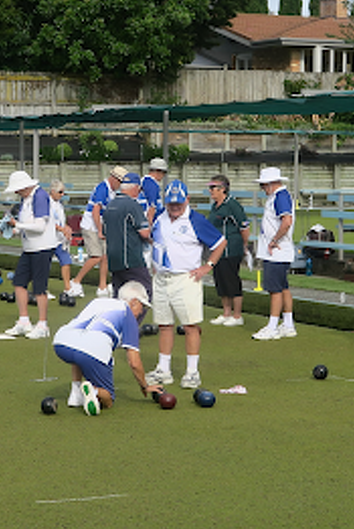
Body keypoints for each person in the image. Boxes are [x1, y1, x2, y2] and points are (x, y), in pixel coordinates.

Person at [146, 179, 226, 389]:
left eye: (178, 204)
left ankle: (192, 372)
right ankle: (164, 369)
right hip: (162, 279)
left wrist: (207, 266)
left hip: (186, 279)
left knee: (190, 326)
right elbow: (155, 239)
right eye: (171, 203)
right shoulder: (160, 217)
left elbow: (220, 243)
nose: (174, 208)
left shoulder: (195, 220)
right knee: (164, 325)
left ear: (187, 200)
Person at [53, 281, 162, 415]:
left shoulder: (99, 301)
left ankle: (75, 395)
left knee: (80, 351)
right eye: (142, 306)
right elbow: (134, 362)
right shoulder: (128, 316)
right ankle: (93, 391)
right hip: (92, 350)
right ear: (133, 302)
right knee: (108, 400)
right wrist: (145, 386)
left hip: (61, 343)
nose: (141, 312)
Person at [2, 170, 56, 339]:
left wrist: (17, 224)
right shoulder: (25, 199)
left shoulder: (40, 196)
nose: (16, 192)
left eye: (18, 189)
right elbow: (27, 224)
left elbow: (40, 226)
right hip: (29, 247)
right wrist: (14, 229)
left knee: (39, 288)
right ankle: (24, 321)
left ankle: (42, 324)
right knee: (19, 282)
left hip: (42, 247)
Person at [68, 165, 127, 298]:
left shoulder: (112, 191)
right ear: (114, 178)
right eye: (120, 182)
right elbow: (95, 211)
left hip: (101, 226)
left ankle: (102, 286)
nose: (120, 185)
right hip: (91, 226)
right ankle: (76, 281)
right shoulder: (102, 188)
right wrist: (100, 231)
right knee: (96, 256)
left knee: (105, 257)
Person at [252, 167, 297, 340]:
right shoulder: (277, 197)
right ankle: (287, 324)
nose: (262, 189)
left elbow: (286, 222)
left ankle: (272, 327)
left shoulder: (280, 197)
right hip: (277, 250)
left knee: (274, 289)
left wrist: (274, 240)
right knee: (283, 286)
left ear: (271, 184)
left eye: (263, 185)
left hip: (277, 251)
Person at [207, 174, 251, 326]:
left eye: (213, 188)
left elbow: (244, 226)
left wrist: (244, 245)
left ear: (222, 189)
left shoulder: (233, 205)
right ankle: (226, 313)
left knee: (232, 281)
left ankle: (237, 316)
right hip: (216, 250)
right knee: (220, 281)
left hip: (231, 249)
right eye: (210, 187)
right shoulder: (214, 206)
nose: (210, 191)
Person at [103, 172, 152, 302]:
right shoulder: (132, 205)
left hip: (113, 259)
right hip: (131, 258)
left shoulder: (110, 205)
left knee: (119, 296)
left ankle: (117, 322)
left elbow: (103, 232)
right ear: (135, 187)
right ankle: (132, 322)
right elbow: (145, 233)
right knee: (145, 293)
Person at [49, 180, 73, 296]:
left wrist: (67, 228)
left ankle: (67, 288)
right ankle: (41, 289)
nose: (62, 194)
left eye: (63, 192)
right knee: (44, 265)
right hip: (47, 239)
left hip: (59, 239)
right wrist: (61, 229)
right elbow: (47, 222)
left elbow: (61, 221)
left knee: (66, 261)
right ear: (53, 191)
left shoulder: (59, 205)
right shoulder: (46, 203)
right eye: (60, 192)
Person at [139, 157, 167, 225]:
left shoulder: (144, 180)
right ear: (158, 171)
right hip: (149, 219)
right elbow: (152, 206)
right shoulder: (152, 184)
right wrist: (150, 225)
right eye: (164, 172)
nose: (163, 175)